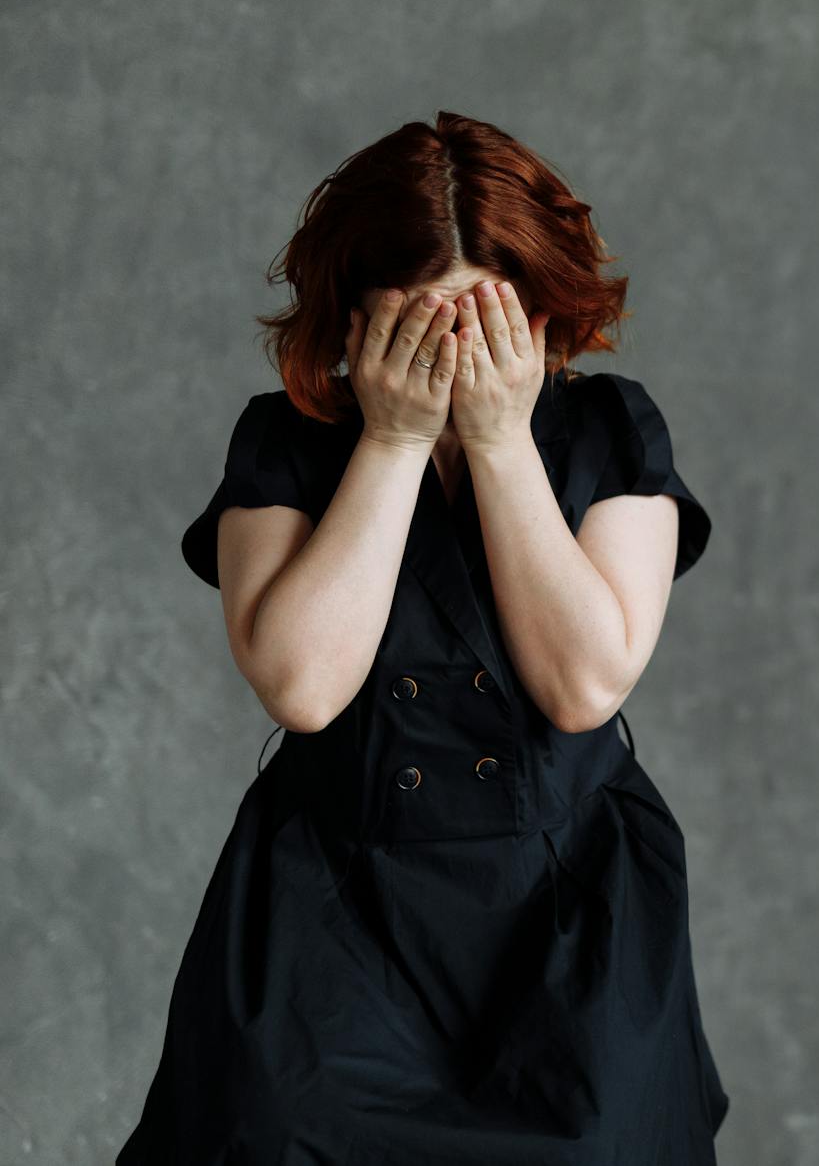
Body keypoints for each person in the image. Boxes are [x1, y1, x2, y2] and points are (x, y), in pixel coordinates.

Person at [117, 111, 730, 1163]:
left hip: (568, 906)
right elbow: (302, 684)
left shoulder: (611, 432)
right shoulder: (285, 443)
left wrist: (495, 440)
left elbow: (583, 684)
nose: (456, 357)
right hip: (333, 909)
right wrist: (397, 437)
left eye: (485, 323)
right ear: (354, 320)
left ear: (544, 315)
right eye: (421, 325)